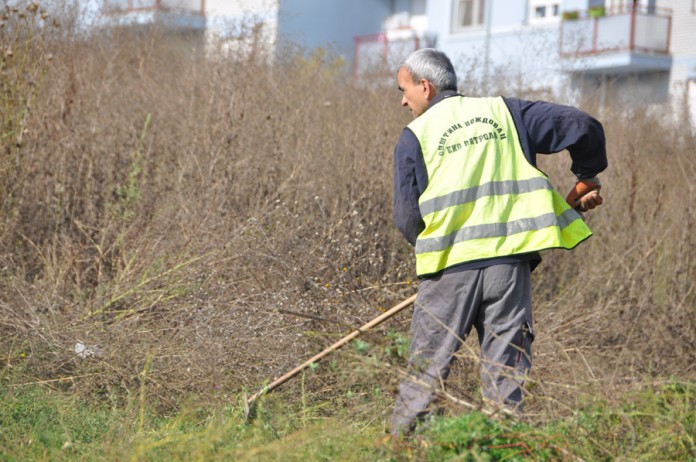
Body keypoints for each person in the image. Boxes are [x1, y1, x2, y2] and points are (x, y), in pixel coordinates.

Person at [390, 48, 607, 436]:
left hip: (448, 273)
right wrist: (586, 176)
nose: (403, 101)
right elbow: (582, 124)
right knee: (505, 376)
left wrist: (435, 244)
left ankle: (403, 451)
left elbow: (407, 218)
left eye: (404, 91)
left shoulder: (415, 137)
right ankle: (501, 450)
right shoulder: (507, 112)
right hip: (508, 272)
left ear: (425, 86)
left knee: (425, 373)